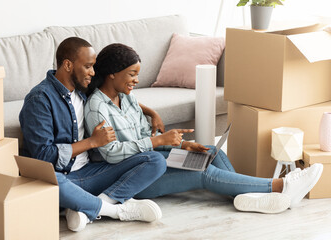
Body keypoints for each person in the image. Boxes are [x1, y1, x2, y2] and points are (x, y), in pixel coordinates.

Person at [84, 43, 323, 214]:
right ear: (111, 74)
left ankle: (248, 197)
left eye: (138, 74)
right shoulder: (97, 108)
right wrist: (157, 142)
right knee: (203, 173)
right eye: (132, 74)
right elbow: (111, 153)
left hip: (152, 158)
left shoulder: (127, 98)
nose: (136, 80)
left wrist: (182, 144)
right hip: (136, 175)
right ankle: (282, 187)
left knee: (210, 152)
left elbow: (145, 136)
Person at [19, 37, 169, 232]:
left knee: (155, 160)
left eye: (94, 66)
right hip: (64, 178)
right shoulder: (39, 100)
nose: (93, 72)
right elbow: (43, 156)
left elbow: (112, 95)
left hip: (91, 173)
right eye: (88, 66)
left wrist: (151, 112)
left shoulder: (82, 89)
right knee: (51, 182)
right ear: (67, 65)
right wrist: (91, 142)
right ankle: (116, 211)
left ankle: (86, 207)